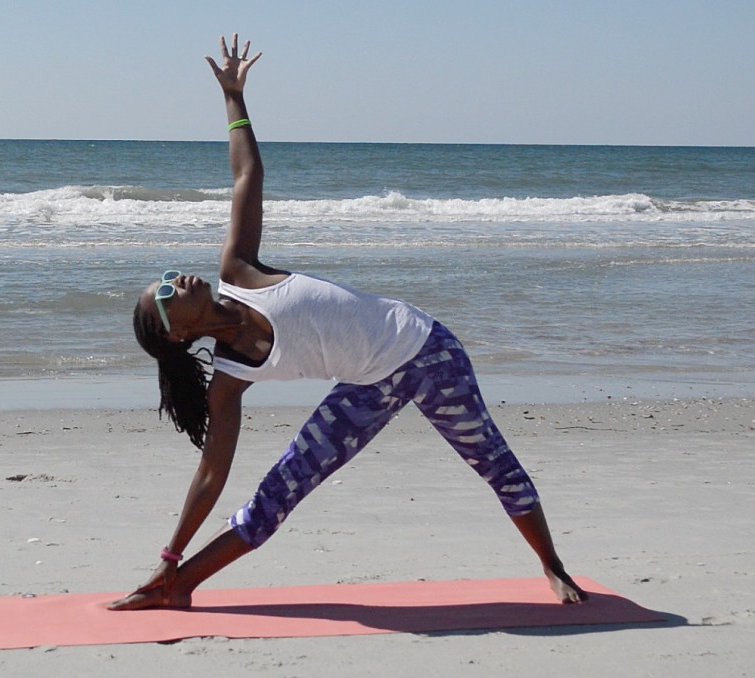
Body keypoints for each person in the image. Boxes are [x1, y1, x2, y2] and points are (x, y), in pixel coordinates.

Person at [109, 35, 587, 611]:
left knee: (492, 459)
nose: (173, 280)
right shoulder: (229, 380)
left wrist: (233, 99)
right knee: (278, 492)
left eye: (165, 276)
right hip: (367, 385)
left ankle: (553, 567)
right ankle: (177, 585)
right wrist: (169, 553)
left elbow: (246, 177)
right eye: (164, 295)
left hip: (423, 349)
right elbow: (213, 474)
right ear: (177, 333)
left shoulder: (238, 268)